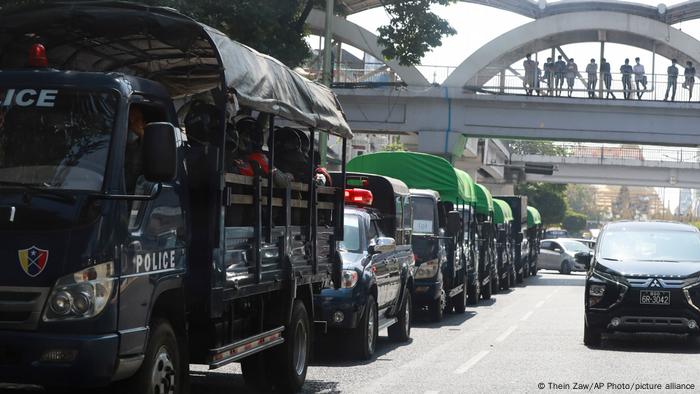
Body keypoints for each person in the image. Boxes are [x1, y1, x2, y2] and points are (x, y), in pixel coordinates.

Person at [125, 106, 145, 193]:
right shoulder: (114, 140)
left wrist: (142, 135)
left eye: (139, 118)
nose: (142, 123)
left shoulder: (144, 142)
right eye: (138, 119)